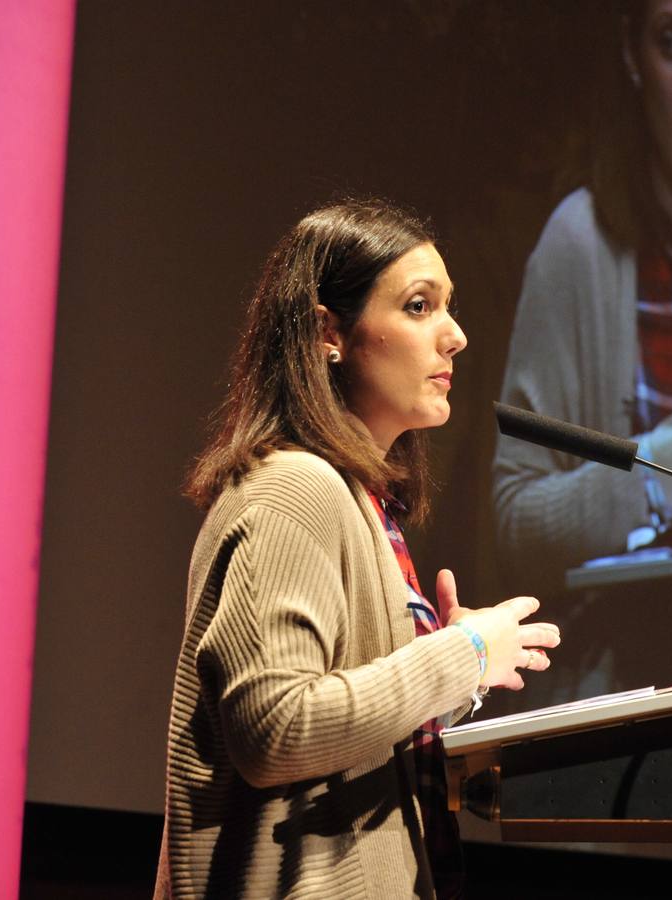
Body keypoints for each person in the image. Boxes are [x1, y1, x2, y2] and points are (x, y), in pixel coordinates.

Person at [155, 199, 559, 899]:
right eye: (418, 306)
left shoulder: (359, 500)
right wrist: (459, 657)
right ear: (327, 333)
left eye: (449, 307)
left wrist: (458, 678)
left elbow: (345, 731)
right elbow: (276, 729)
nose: (455, 336)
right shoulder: (291, 488)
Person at [493, 0, 672, 595]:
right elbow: (513, 518)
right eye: (670, 46)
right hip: (616, 667)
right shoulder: (579, 243)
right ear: (633, 60)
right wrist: (649, 478)